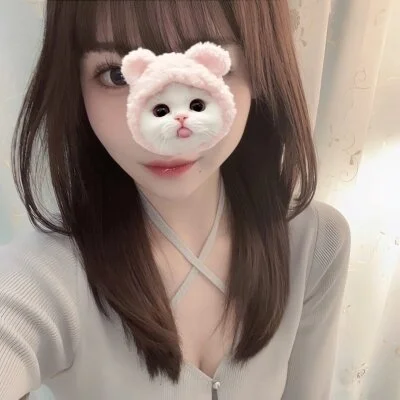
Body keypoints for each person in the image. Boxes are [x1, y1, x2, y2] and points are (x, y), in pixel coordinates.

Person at [0, 1, 351, 399]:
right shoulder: (48, 278)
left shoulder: (313, 243)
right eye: (117, 74)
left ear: (260, 68)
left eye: (208, 66)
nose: (169, 133)